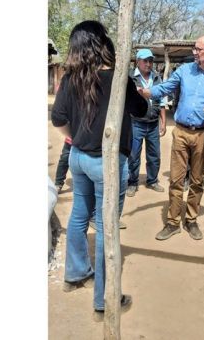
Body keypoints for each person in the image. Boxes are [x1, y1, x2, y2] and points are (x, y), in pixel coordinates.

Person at [51, 20, 148, 315]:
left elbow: (58, 119)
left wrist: (73, 137)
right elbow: (141, 110)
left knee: (80, 215)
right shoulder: (117, 78)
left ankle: (75, 274)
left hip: (78, 157)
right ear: (101, 43)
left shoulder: (71, 78)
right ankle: (103, 300)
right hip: (106, 162)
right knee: (107, 227)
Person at [139, 34, 204, 241]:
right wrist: (147, 92)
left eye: (198, 49)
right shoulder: (184, 70)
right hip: (181, 132)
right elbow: (165, 88)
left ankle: (191, 220)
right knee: (175, 179)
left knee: (197, 180)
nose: (194, 52)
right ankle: (173, 222)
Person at [126, 49, 167, 197]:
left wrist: (163, 122)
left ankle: (152, 180)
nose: (148, 64)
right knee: (133, 154)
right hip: (136, 123)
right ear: (138, 61)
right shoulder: (130, 77)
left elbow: (162, 100)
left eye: (150, 61)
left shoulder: (156, 77)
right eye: (145, 61)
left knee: (154, 155)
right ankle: (132, 182)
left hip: (153, 123)